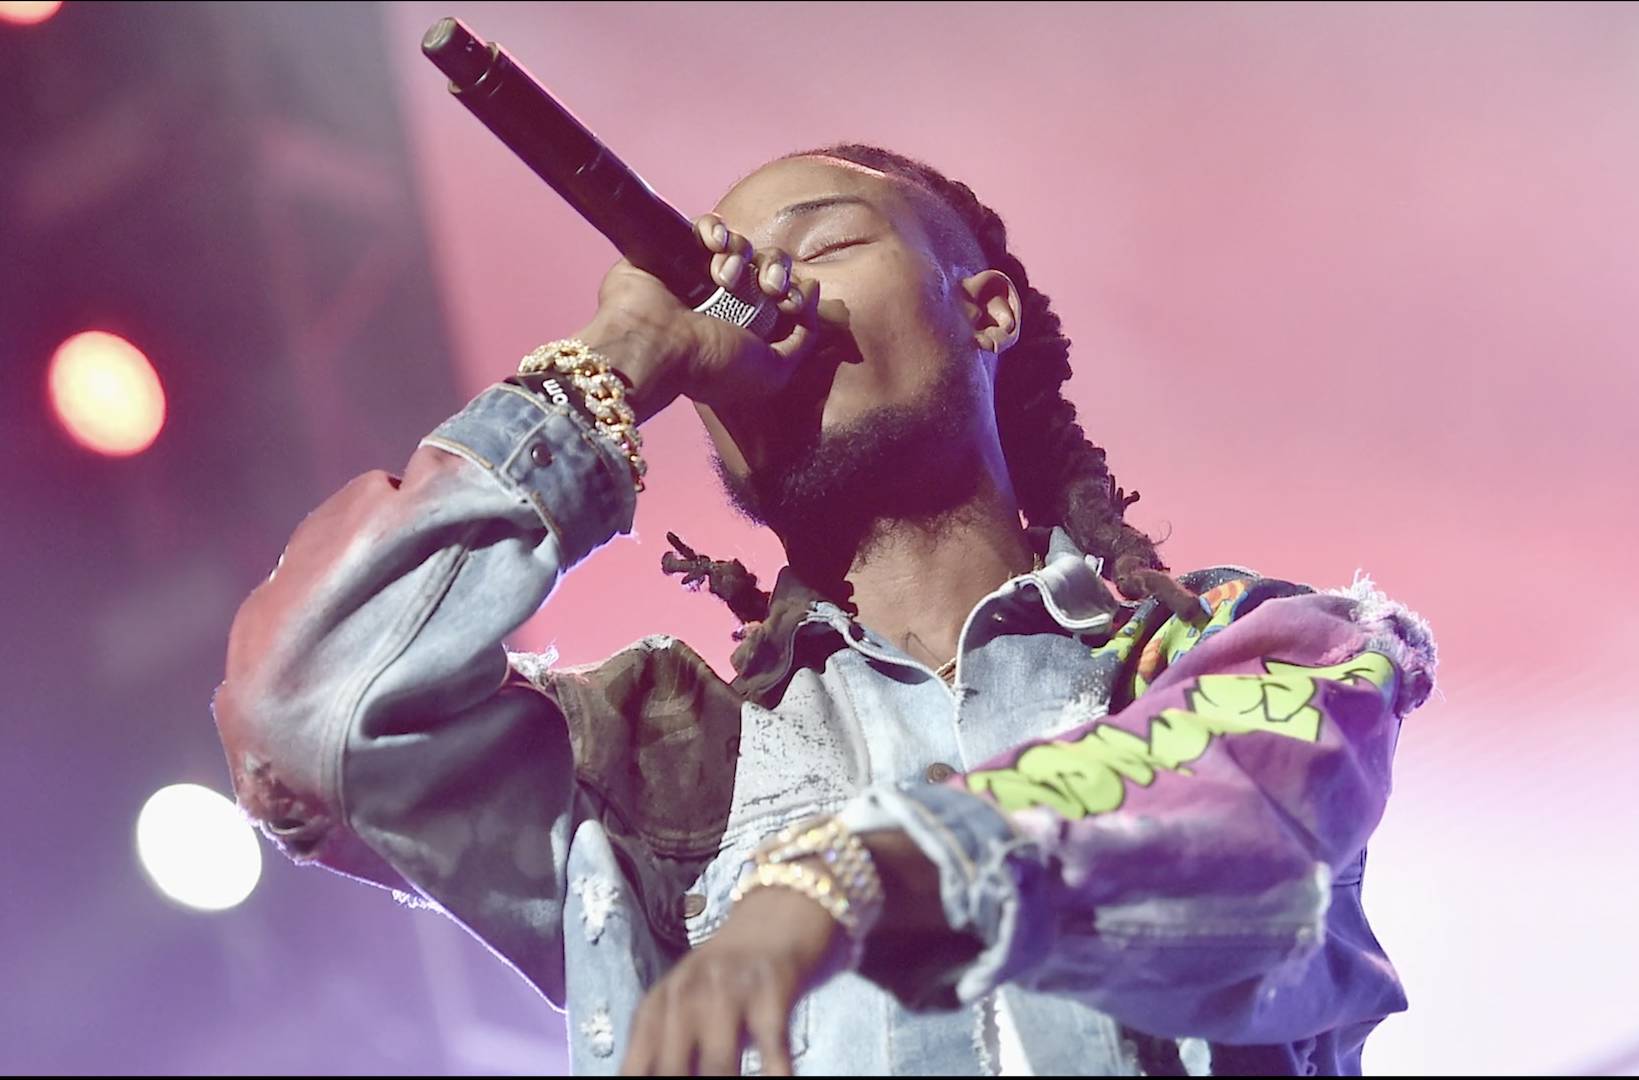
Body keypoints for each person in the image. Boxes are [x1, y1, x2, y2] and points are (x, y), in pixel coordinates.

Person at [211, 143, 1437, 1077]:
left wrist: (853, 876)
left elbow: (1241, 845)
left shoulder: (1236, 645)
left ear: (987, 307)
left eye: (821, 245)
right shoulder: (659, 774)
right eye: (722, 282)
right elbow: (308, 718)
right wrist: (614, 360)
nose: (759, 298)